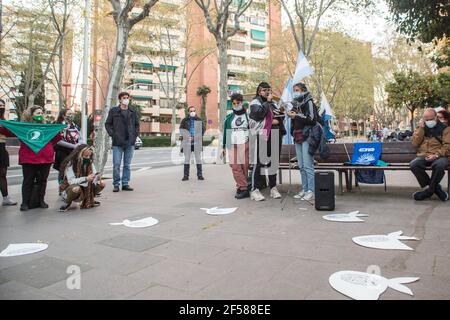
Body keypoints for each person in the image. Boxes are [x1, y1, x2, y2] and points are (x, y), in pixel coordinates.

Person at [0, 105, 62, 211]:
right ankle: (25, 203)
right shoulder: (23, 127)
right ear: (31, 115)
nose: (41, 115)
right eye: (38, 113)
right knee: (28, 181)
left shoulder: (47, 127)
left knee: (43, 181)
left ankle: (41, 200)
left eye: (42, 113)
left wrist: (58, 131)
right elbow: (9, 132)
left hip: (45, 158)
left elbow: (56, 138)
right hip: (29, 158)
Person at [248, 81, 285, 201]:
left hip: (275, 134)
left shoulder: (273, 103)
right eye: (264, 90)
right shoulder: (255, 102)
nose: (267, 92)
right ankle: (255, 189)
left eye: (269, 90)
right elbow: (258, 115)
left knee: (273, 162)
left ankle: (273, 187)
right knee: (259, 161)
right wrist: (267, 103)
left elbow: (278, 117)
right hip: (262, 133)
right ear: (259, 91)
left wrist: (281, 113)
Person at [410, 108, 450, 201]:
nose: (428, 121)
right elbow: (415, 143)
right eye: (426, 119)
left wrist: (436, 155)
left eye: (430, 119)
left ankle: (429, 191)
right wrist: (421, 128)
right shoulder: (421, 127)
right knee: (414, 164)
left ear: (436, 117)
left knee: (439, 165)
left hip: (440, 155)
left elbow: (447, 147)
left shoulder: (445, 129)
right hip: (424, 155)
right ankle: (436, 189)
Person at [287, 83, 317, 201]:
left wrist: (296, 116)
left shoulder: (309, 102)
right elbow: (295, 119)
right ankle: (305, 189)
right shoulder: (294, 104)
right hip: (297, 136)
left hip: (307, 136)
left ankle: (311, 190)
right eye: (294, 90)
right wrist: (290, 115)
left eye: (297, 90)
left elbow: (312, 119)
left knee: (308, 165)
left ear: (303, 91)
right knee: (301, 166)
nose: (295, 92)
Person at [105, 91, 139, 192]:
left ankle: (125, 183)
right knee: (116, 164)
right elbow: (107, 124)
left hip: (130, 142)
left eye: (128, 98)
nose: (126, 99)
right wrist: (113, 134)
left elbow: (137, 125)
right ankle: (116, 184)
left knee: (127, 165)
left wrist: (134, 136)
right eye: (124, 97)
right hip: (117, 142)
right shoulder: (114, 111)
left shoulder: (132, 112)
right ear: (120, 99)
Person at [58, 144, 105, 212]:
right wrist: (86, 178)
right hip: (70, 187)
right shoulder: (71, 163)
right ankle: (67, 202)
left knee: (102, 184)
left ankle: (90, 199)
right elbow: (71, 181)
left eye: (89, 156)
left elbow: (94, 174)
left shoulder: (90, 162)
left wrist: (97, 177)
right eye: (86, 156)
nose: (88, 157)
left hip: (85, 185)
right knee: (76, 188)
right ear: (80, 154)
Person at [221, 93, 250, 199]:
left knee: (244, 166)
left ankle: (240, 186)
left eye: (238, 102)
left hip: (245, 143)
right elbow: (226, 132)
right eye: (234, 103)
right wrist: (223, 147)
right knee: (235, 166)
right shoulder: (229, 117)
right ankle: (244, 188)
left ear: (242, 102)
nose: (236, 104)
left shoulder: (248, 116)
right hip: (232, 144)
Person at [54, 109, 83, 193]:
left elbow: (80, 137)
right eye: (69, 114)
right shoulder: (58, 125)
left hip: (74, 152)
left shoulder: (75, 126)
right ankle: (62, 189)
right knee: (63, 171)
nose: (71, 115)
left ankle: (71, 188)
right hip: (62, 152)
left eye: (71, 113)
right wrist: (73, 146)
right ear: (63, 115)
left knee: (73, 170)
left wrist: (80, 144)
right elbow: (58, 141)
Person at [179, 106, 205, 181]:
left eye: (194, 110)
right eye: (191, 111)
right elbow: (181, 130)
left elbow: (202, 131)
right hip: (187, 143)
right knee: (187, 159)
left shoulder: (199, 120)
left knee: (198, 159)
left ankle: (200, 175)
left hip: (197, 143)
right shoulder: (184, 120)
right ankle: (185, 176)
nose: (192, 112)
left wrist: (195, 137)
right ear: (188, 112)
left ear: (195, 111)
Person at [0, 99, 17, 206]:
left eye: (2, 105)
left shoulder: (5, 122)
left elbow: (11, 133)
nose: (1, 107)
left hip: (2, 148)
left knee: (2, 174)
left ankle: (6, 197)